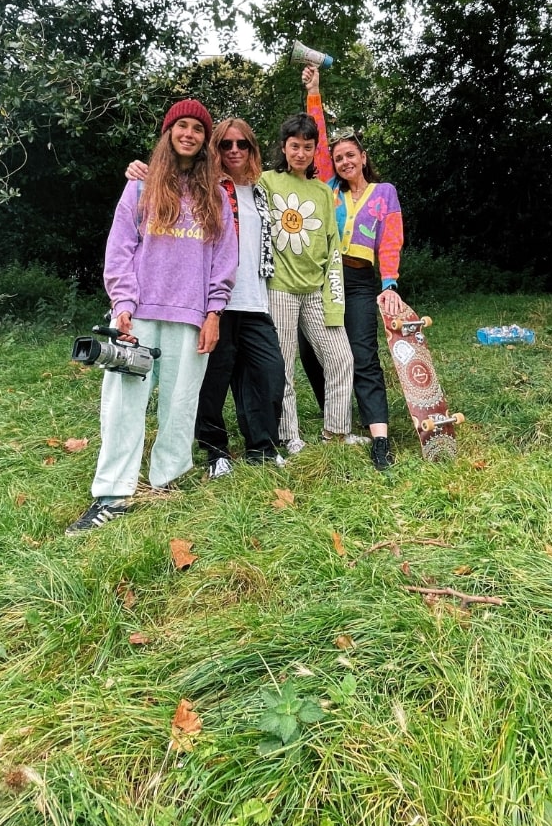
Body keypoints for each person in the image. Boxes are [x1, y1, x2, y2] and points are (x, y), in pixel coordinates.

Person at [65, 100, 238, 535]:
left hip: (192, 315)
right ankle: (112, 494)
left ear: (204, 141)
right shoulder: (140, 187)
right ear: (168, 133)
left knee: (181, 405)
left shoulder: (215, 195)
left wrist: (214, 312)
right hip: (139, 314)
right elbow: (120, 248)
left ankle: (166, 479)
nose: (189, 134)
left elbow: (224, 260)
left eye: (198, 129)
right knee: (123, 404)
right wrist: (122, 305)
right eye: (181, 126)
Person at [123, 118, 286, 477]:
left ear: (252, 149)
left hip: (255, 299)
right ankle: (216, 452)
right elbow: (164, 183)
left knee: (268, 375)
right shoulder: (206, 187)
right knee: (211, 380)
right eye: (226, 144)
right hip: (214, 300)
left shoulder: (261, 191)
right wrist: (139, 172)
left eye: (242, 144)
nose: (234, 151)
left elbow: (309, 167)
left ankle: (261, 446)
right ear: (214, 148)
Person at [298, 63, 404, 470]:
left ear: (363, 157)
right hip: (325, 278)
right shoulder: (327, 188)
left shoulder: (384, 193)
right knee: (311, 349)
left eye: (350, 155)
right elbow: (317, 137)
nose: (343, 161)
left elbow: (391, 240)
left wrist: (389, 283)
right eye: (338, 157)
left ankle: (379, 437)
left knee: (363, 354)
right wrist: (314, 92)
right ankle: (336, 418)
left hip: (360, 280)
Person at [260, 111, 356, 453]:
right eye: (294, 146)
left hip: (317, 291)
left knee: (341, 359)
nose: (301, 153)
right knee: (284, 365)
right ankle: (290, 435)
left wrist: (333, 296)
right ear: (284, 148)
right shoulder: (266, 182)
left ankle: (337, 431)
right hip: (280, 290)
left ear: (316, 151)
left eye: (308, 147)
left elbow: (331, 246)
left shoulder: (321, 192)